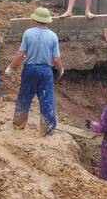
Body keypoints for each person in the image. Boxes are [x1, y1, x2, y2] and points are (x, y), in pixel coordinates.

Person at [5, 7, 63, 135]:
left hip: (29, 69)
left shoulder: (28, 33)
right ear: (47, 21)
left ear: (35, 19)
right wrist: (60, 70)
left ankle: (18, 124)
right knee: (46, 99)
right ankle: (47, 129)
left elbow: (21, 54)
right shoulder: (53, 36)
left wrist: (11, 67)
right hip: (45, 71)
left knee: (24, 96)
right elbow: (56, 59)